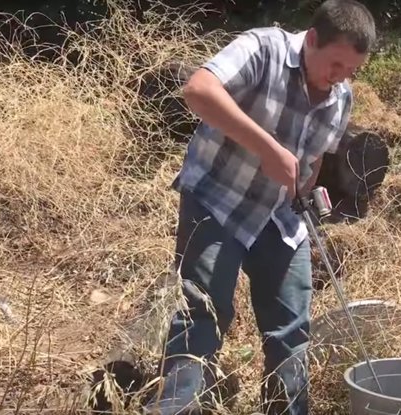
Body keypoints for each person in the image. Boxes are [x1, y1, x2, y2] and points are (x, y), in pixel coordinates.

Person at [144, 1, 376, 414]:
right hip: (218, 200)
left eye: (351, 70)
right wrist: (266, 147)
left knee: (291, 329)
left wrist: (305, 186)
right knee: (203, 315)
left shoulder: (341, 97)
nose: (340, 77)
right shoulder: (261, 49)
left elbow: (318, 154)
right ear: (312, 39)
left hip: (281, 217)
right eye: (336, 64)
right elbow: (199, 90)